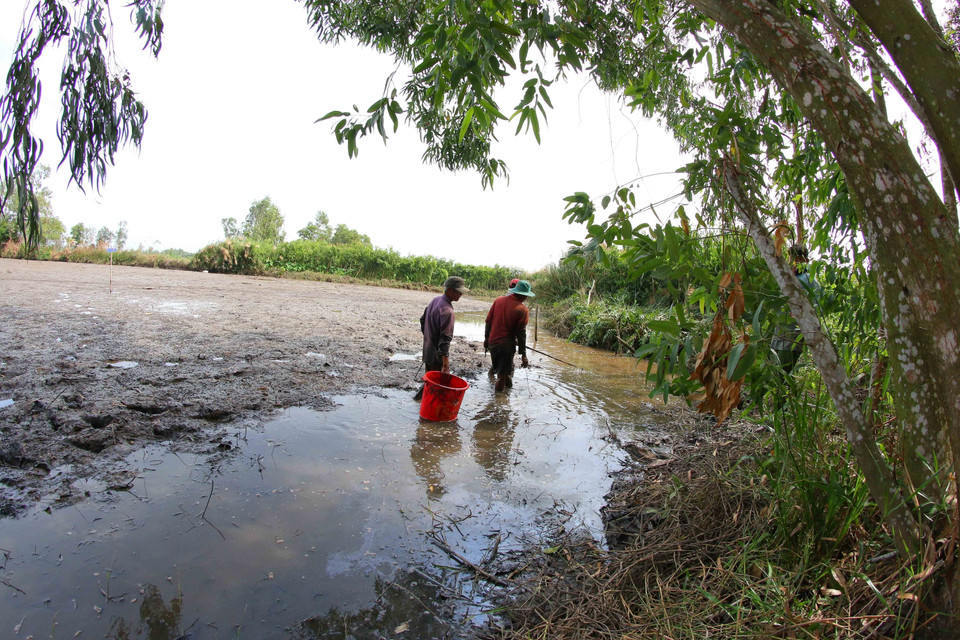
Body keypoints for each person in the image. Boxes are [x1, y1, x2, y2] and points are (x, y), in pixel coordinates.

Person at [414, 276, 469, 400]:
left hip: (428, 350)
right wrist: (446, 365)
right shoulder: (448, 311)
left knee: (429, 382)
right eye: (458, 291)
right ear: (449, 290)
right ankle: (424, 404)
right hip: (437, 355)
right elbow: (445, 341)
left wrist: (428, 338)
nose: (460, 294)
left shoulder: (435, 300)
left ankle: (419, 401)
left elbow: (423, 320)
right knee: (435, 386)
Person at [484, 279, 535, 392]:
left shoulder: (498, 300)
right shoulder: (523, 310)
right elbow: (521, 333)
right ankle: (498, 401)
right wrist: (523, 355)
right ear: (524, 295)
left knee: (503, 372)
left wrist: (486, 339)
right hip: (506, 347)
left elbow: (488, 321)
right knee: (502, 377)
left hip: (493, 343)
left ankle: (508, 393)